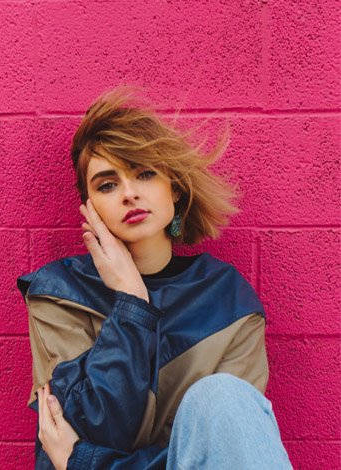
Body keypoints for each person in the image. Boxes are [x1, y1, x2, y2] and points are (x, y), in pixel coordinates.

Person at [17, 86, 293, 469]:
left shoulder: (228, 302)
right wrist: (131, 303)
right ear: (90, 207)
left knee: (224, 398)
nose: (129, 193)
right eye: (108, 184)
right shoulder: (59, 293)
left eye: (144, 173)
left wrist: (82, 461)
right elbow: (96, 428)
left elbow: (227, 451)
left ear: (174, 189)